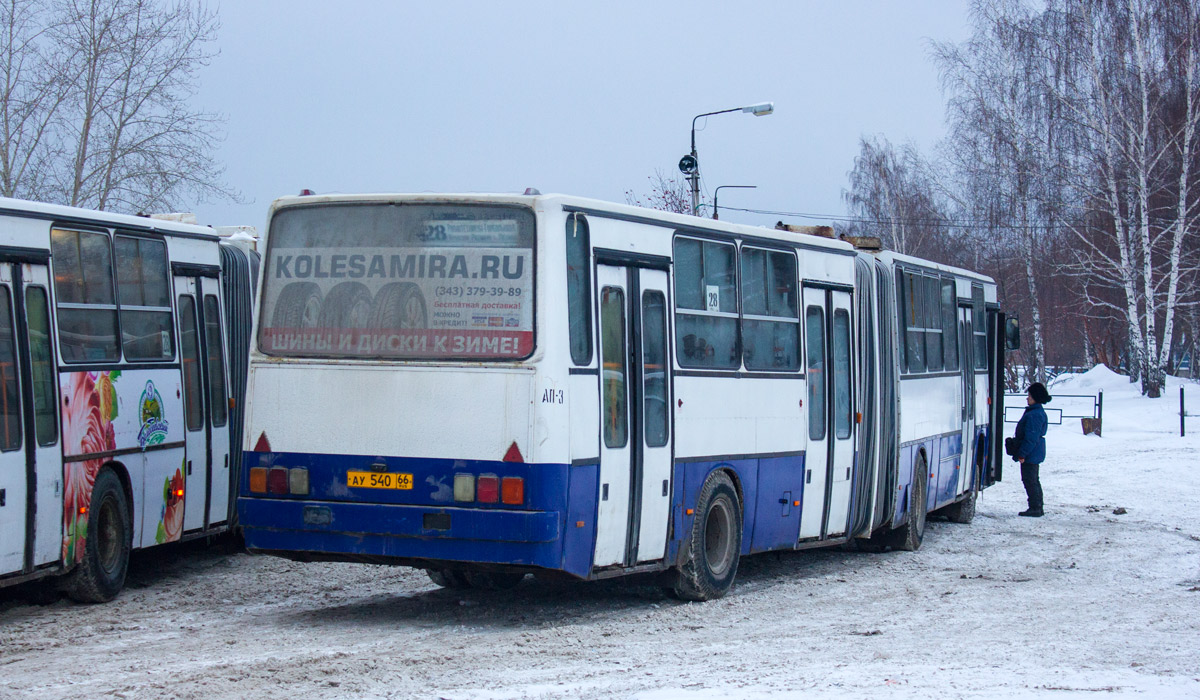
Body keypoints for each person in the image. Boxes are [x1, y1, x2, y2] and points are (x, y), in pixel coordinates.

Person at [1012, 382, 1051, 517]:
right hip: (1035, 451)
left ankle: (1035, 507)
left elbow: (1031, 437)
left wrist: (1022, 453)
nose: (1027, 398)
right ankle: (1037, 506)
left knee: (1030, 479)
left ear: (1035, 397)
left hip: (1031, 452)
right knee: (1033, 479)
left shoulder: (1034, 414)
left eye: (1029, 395)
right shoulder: (1036, 412)